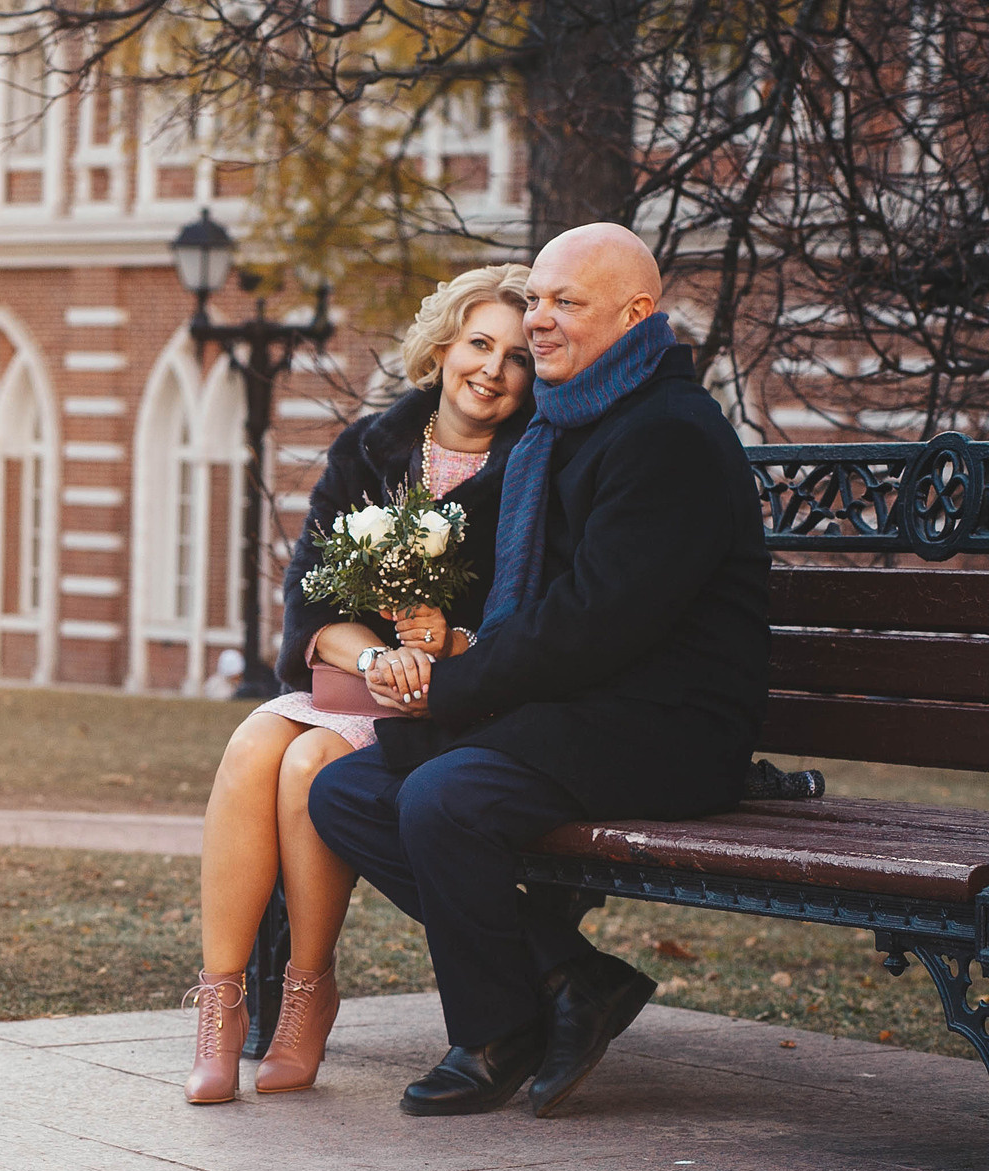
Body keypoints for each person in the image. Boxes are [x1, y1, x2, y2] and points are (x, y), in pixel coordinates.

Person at [307, 223, 770, 1119]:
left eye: (567, 302)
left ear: (636, 315)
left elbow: (593, 622)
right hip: (579, 711)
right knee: (349, 793)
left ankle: (493, 1033)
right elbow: (543, 616)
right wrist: (428, 645)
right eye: (537, 300)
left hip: (669, 727)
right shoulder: (564, 423)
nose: (540, 319)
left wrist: (452, 689)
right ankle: (569, 975)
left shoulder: (668, 433)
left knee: (443, 798)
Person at [184, 264, 537, 1105]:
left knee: (310, 764)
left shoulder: (534, 466)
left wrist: (449, 643)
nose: (492, 369)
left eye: (519, 357)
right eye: (479, 343)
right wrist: (375, 657)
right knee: (254, 745)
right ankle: (220, 1005)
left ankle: (308, 989)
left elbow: (532, 612)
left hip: (454, 702)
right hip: (356, 682)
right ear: (442, 348)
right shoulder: (371, 449)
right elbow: (309, 600)